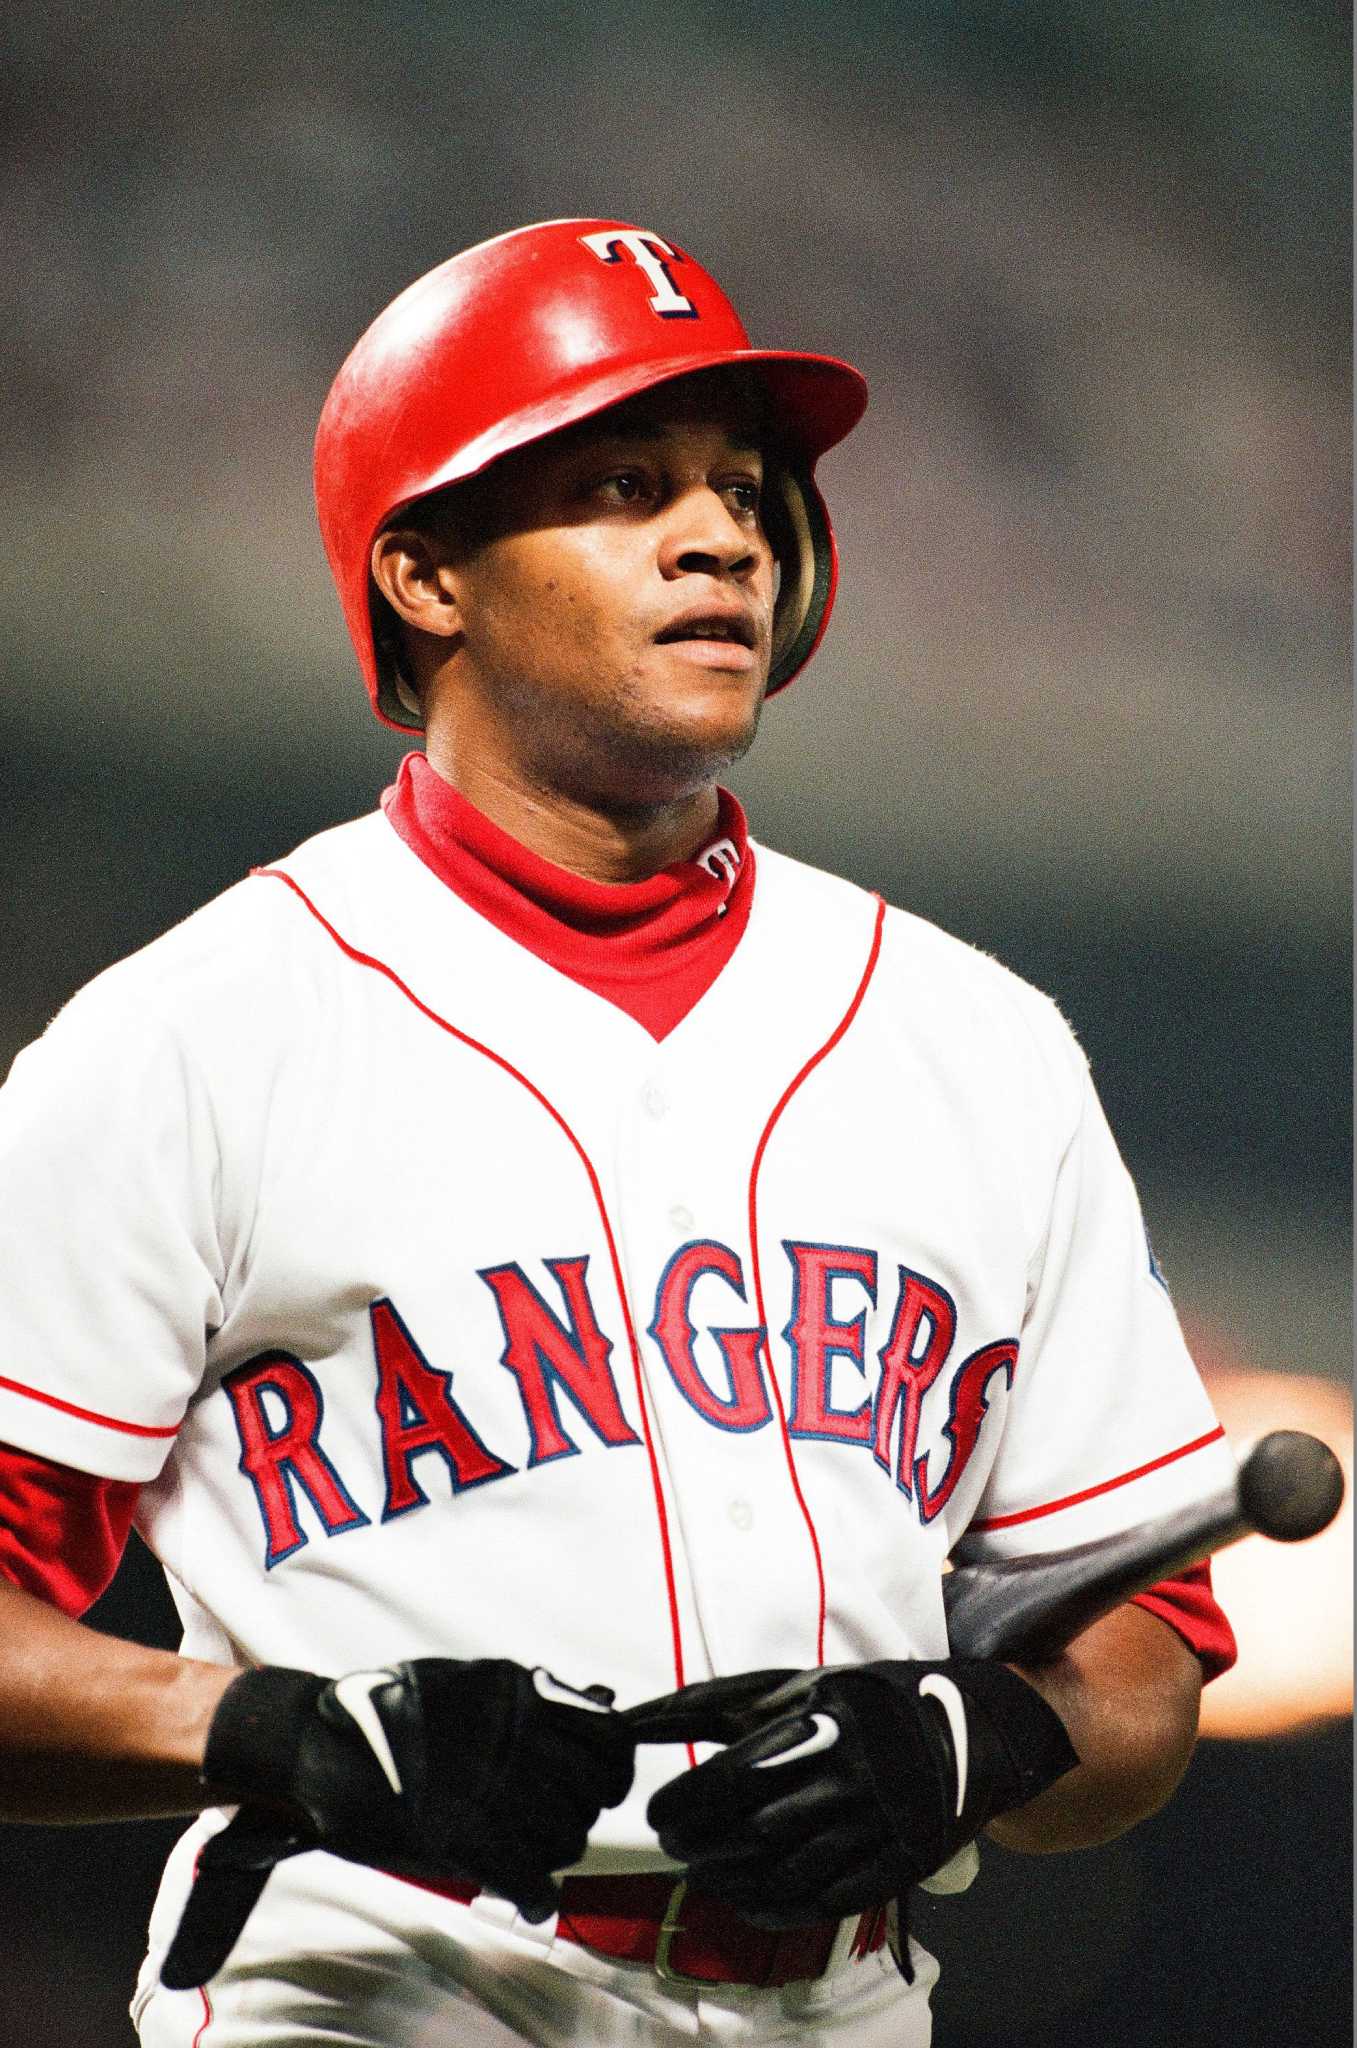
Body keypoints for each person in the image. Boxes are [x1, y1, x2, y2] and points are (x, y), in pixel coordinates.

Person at [0, 219, 1235, 2047]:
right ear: (427, 576)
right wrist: (267, 1728)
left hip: (848, 2003)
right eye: (622, 485)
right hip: (376, 1993)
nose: (720, 534)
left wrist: (987, 1736)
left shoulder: (976, 1041)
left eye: (742, 490)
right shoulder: (193, 1037)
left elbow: (1141, 1675)